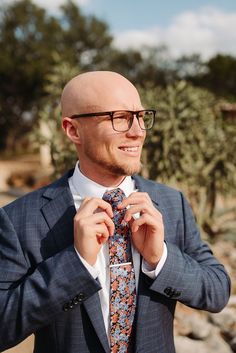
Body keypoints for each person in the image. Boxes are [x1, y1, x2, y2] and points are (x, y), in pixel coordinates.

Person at [0, 71, 230, 353]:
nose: (138, 131)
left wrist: (160, 258)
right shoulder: (20, 218)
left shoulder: (172, 203)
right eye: (119, 117)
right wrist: (76, 263)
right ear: (73, 130)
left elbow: (217, 292)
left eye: (141, 116)